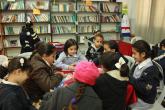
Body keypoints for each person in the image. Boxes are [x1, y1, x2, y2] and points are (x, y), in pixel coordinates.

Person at [130, 40, 160, 110]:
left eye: (134, 53)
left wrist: (129, 78)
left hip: (144, 101)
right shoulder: (138, 63)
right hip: (137, 94)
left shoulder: (152, 70)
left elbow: (146, 90)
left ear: (143, 54)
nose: (132, 56)